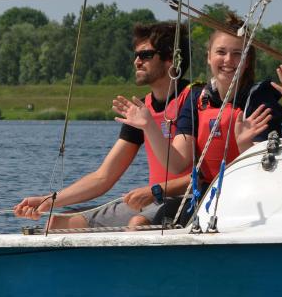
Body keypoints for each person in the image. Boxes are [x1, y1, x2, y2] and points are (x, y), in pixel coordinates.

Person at [13, 22, 194, 230]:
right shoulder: (141, 109)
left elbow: (184, 168)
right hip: (153, 200)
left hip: (188, 199)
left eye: (145, 55)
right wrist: (49, 201)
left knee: (138, 224)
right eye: (136, 55)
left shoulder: (194, 100)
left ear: (170, 58)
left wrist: (155, 190)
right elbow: (103, 177)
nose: (137, 62)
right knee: (58, 223)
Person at [116, 13, 282, 225]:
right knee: (140, 223)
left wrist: (244, 145)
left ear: (247, 61)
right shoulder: (197, 99)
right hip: (204, 196)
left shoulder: (261, 100)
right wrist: (149, 126)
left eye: (237, 54)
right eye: (221, 52)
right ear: (208, 57)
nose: (228, 60)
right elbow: (177, 164)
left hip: (248, 196)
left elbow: (268, 170)